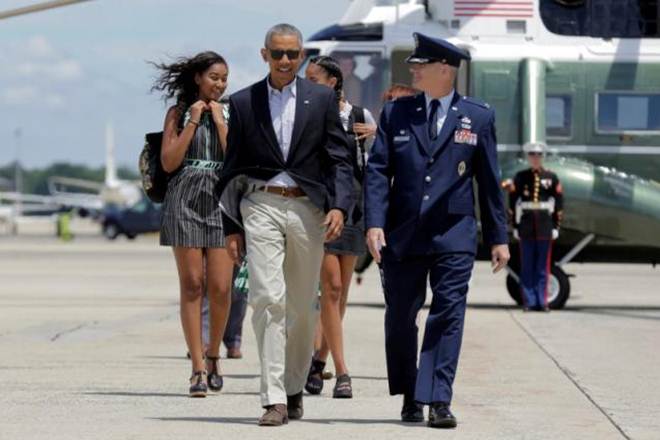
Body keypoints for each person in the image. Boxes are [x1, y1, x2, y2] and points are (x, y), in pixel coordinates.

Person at [364, 33, 510, 429]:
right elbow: (378, 171)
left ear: (444, 69)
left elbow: (490, 181)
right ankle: (411, 393)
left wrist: (499, 237)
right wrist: (375, 222)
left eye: (420, 65)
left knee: (448, 314)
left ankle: (438, 399)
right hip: (403, 232)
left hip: (454, 233)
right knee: (399, 317)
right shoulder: (397, 113)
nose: (413, 70)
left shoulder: (478, 116)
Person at [218, 24, 353, 426]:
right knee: (266, 298)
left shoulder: (322, 99)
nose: (285, 61)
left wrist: (340, 206)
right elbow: (232, 167)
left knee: (300, 306)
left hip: (308, 210)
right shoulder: (243, 103)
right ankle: (273, 397)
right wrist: (231, 227)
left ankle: (295, 387)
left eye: (292, 54)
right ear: (264, 56)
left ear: (302, 57)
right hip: (260, 204)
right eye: (277, 54)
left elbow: (340, 159)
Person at [152, 51, 234, 398]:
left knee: (219, 287)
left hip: (220, 197)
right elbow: (169, 162)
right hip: (184, 197)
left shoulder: (232, 110)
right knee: (191, 284)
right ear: (199, 77)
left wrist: (218, 121)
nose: (220, 83)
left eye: (224, 78)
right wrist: (192, 121)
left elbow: (236, 158)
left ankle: (215, 352)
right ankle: (197, 367)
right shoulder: (178, 111)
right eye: (214, 77)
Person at [303, 56, 377, 399]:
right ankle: (343, 370)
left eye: (314, 79)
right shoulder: (307, 115)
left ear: (333, 81)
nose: (307, 84)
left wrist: (379, 133)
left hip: (355, 206)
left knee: (341, 292)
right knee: (330, 287)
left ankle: (318, 360)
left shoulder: (360, 116)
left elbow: (380, 163)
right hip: (319, 204)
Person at [507, 142, 564, 311]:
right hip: (526, 226)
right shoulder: (520, 177)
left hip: (545, 226)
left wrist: (556, 226)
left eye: (538, 155)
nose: (535, 158)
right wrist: (515, 226)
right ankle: (530, 301)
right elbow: (513, 202)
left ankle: (542, 301)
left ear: (543, 157)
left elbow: (558, 204)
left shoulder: (551, 177)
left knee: (542, 267)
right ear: (528, 157)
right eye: (532, 155)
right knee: (527, 267)